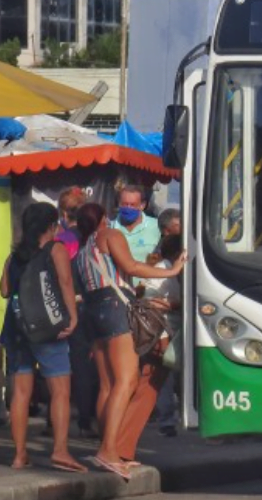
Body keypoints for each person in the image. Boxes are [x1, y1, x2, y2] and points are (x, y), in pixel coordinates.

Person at [74, 202, 185, 480]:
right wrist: (171, 272)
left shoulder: (82, 251)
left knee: (108, 385)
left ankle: (105, 445)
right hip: (114, 310)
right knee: (128, 381)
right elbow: (131, 265)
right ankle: (109, 451)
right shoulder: (110, 236)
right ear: (101, 219)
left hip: (92, 311)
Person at [0, 202, 86, 473]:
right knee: (60, 391)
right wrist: (72, 317)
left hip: (16, 330)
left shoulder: (14, 256)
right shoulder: (55, 249)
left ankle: (19, 455)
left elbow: (3, 290)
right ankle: (60, 451)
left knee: (21, 394)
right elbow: (65, 283)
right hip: (49, 331)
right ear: (51, 225)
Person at [116, 233, 183, 459]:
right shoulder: (165, 271)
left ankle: (121, 446)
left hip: (164, 337)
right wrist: (175, 303)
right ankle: (121, 447)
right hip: (160, 337)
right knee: (147, 389)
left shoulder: (170, 270)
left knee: (146, 389)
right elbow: (150, 302)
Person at [48, 186, 99, 440]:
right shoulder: (93, 238)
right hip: (88, 304)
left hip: (61, 305)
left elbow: (60, 277)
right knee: (84, 366)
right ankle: (85, 420)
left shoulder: (63, 240)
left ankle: (52, 419)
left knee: (54, 363)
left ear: (63, 212)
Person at [110, 186, 160, 267]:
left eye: (133, 205)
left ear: (142, 205)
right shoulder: (110, 227)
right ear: (119, 203)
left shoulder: (157, 226)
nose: (128, 208)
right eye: (124, 204)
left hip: (147, 278)